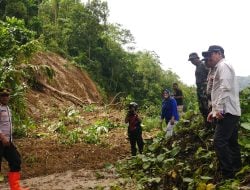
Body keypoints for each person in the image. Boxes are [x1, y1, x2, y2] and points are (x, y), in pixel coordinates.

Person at [202, 45, 241, 180]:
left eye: (210, 55)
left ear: (218, 53)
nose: (208, 58)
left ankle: (228, 175)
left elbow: (225, 88)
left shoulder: (223, 66)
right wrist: (213, 111)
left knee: (219, 141)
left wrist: (218, 109)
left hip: (227, 111)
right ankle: (237, 170)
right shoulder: (218, 67)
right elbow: (217, 91)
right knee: (231, 142)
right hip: (228, 110)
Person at [0, 88, 29, 190]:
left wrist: (9, 140)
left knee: (16, 160)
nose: (5, 97)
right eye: (3, 95)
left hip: (8, 142)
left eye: (6, 95)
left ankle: (15, 188)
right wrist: (2, 137)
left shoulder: (7, 108)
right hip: (1, 140)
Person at [188, 53, 210, 125]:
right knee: (201, 107)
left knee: (206, 106)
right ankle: (206, 124)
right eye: (191, 61)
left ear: (197, 58)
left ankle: (211, 124)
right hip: (199, 88)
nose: (192, 62)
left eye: (193, 60)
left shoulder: (203, 65)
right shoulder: (197, 66)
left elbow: (210, 74)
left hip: (204, 89)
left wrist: (207, 86)